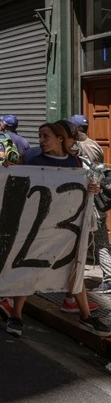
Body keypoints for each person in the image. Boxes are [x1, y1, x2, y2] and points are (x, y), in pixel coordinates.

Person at [0, 122, 110, 338]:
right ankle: (17, 315)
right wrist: (6, 168)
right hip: (38, 227)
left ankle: (86, 316)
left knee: (74, 270)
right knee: (29, 268)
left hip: (68, 228)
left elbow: (84, 187)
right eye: (40, 136)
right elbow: (14, 177)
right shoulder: (33, 158)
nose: (41, 140)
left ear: (60, 139)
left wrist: (93, 188)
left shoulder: (75, 161)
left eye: (46, 136)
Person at [69, 114, 111, 294]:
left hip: (86, 203)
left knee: (94, 243)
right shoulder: (95, 145)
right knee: (100, 243)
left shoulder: (77, 149)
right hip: (95, 201)